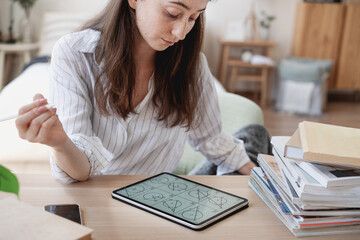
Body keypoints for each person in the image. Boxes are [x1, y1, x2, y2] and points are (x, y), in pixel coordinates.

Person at [15, 0, 270, 183]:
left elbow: (209, 139)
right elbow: (81, 172)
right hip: (102, 201)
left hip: (161, 197)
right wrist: (59, 143)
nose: (181, 32)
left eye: (193, 18)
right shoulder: (75, 54)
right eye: (172, 13)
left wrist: (267, 183)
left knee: (255, 135)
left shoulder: (192, 65)